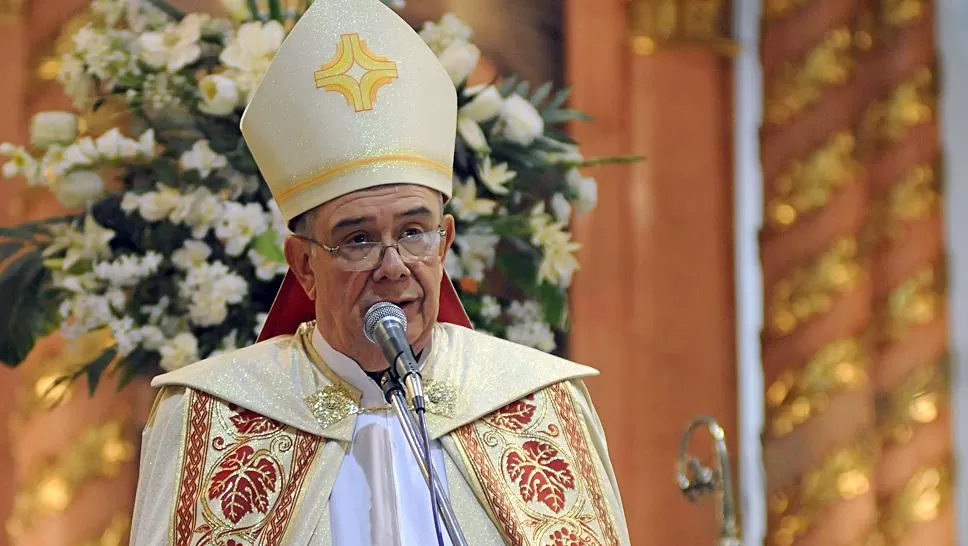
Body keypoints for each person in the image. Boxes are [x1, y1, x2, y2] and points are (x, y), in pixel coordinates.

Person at [129, 0, 630, 544]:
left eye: (414, 232)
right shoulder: (212, 415)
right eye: (357, 239)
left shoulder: (536, 404)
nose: (393, 267)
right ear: (303, 264)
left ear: (446, 243)